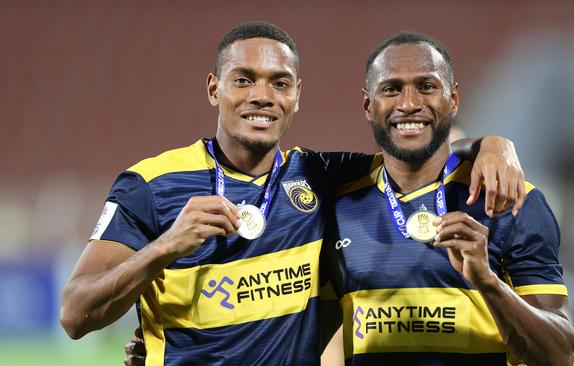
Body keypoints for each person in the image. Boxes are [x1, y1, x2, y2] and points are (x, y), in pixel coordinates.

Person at [60, 22, 524, 365]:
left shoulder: (322, 177)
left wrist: (489, 145)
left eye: (278, 83)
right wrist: (165, 248)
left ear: (296, 95)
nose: (262, 96)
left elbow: (415, 146)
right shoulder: (150, 185)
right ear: (213, 89)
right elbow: (76, 314)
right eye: (243, 80)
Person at [319, 32, 574, 365]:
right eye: (391, 88)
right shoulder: (338, 204)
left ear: (453, 100)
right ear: (369, 105)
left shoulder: (513, 200)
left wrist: (486, 280)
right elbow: (307, 341)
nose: (409, 103)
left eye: (426, 86)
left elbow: (559, 355)